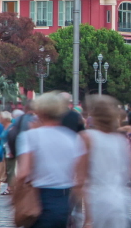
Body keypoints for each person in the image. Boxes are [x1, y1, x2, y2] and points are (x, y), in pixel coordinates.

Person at [15, 92, 86, 228]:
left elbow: (23, 173)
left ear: (40, 111)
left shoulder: (31, 136)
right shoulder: (71, 138)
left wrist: (17, 196)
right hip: (64, 198)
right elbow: (80, 178)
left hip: (40, 197)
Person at [77, 96, 131, 228]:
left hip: (98, 202)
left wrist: (86, 218)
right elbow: (130, 173)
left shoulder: (87, 138)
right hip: (121, 201)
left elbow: (80, 179)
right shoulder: (120, 140)